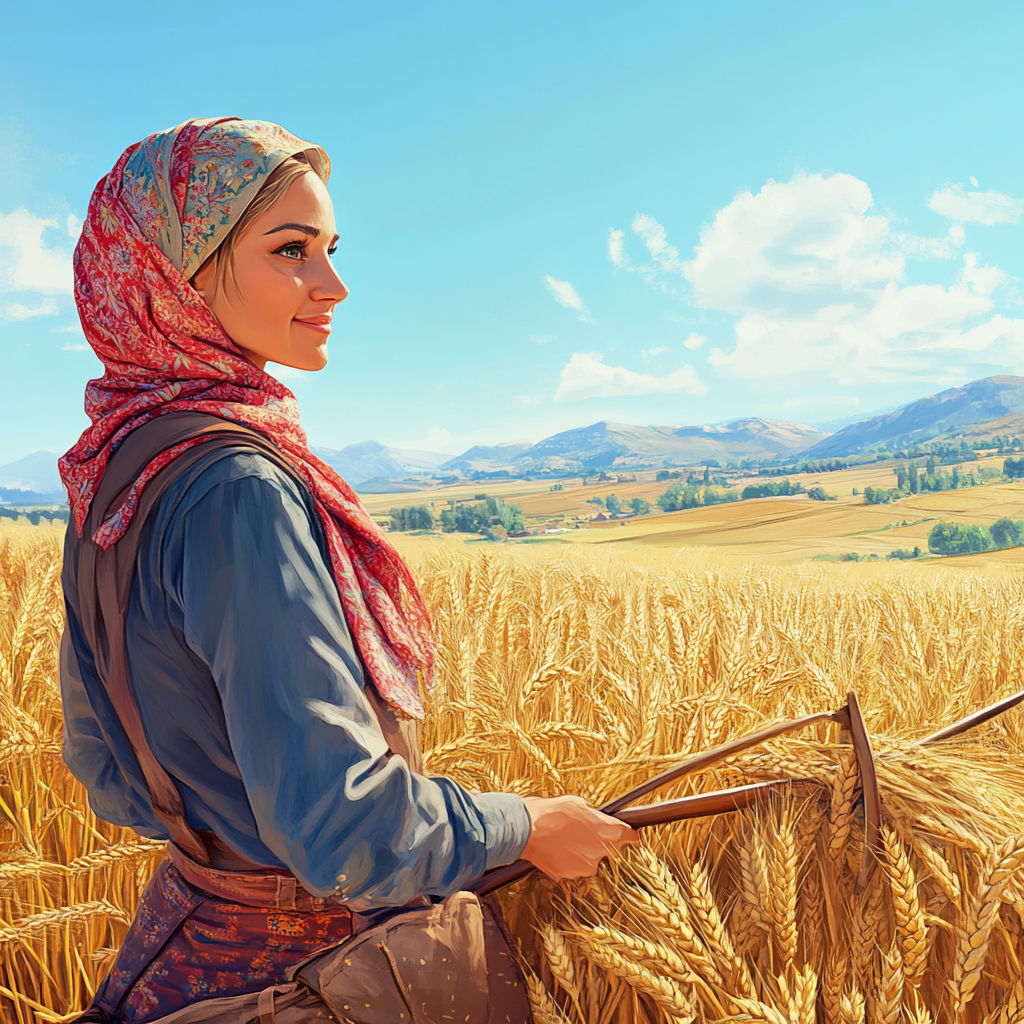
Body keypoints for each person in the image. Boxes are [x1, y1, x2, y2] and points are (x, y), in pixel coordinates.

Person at [58, 117, 636, 1023]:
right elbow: (341, 827)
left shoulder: (114, 471)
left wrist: (222, 835)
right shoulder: (237, 488)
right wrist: (530, 825)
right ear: (180, 275)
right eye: (291, 250)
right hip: (307, 980)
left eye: (330, 248)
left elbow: (102, 766)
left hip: (174, 959)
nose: (334, 283)